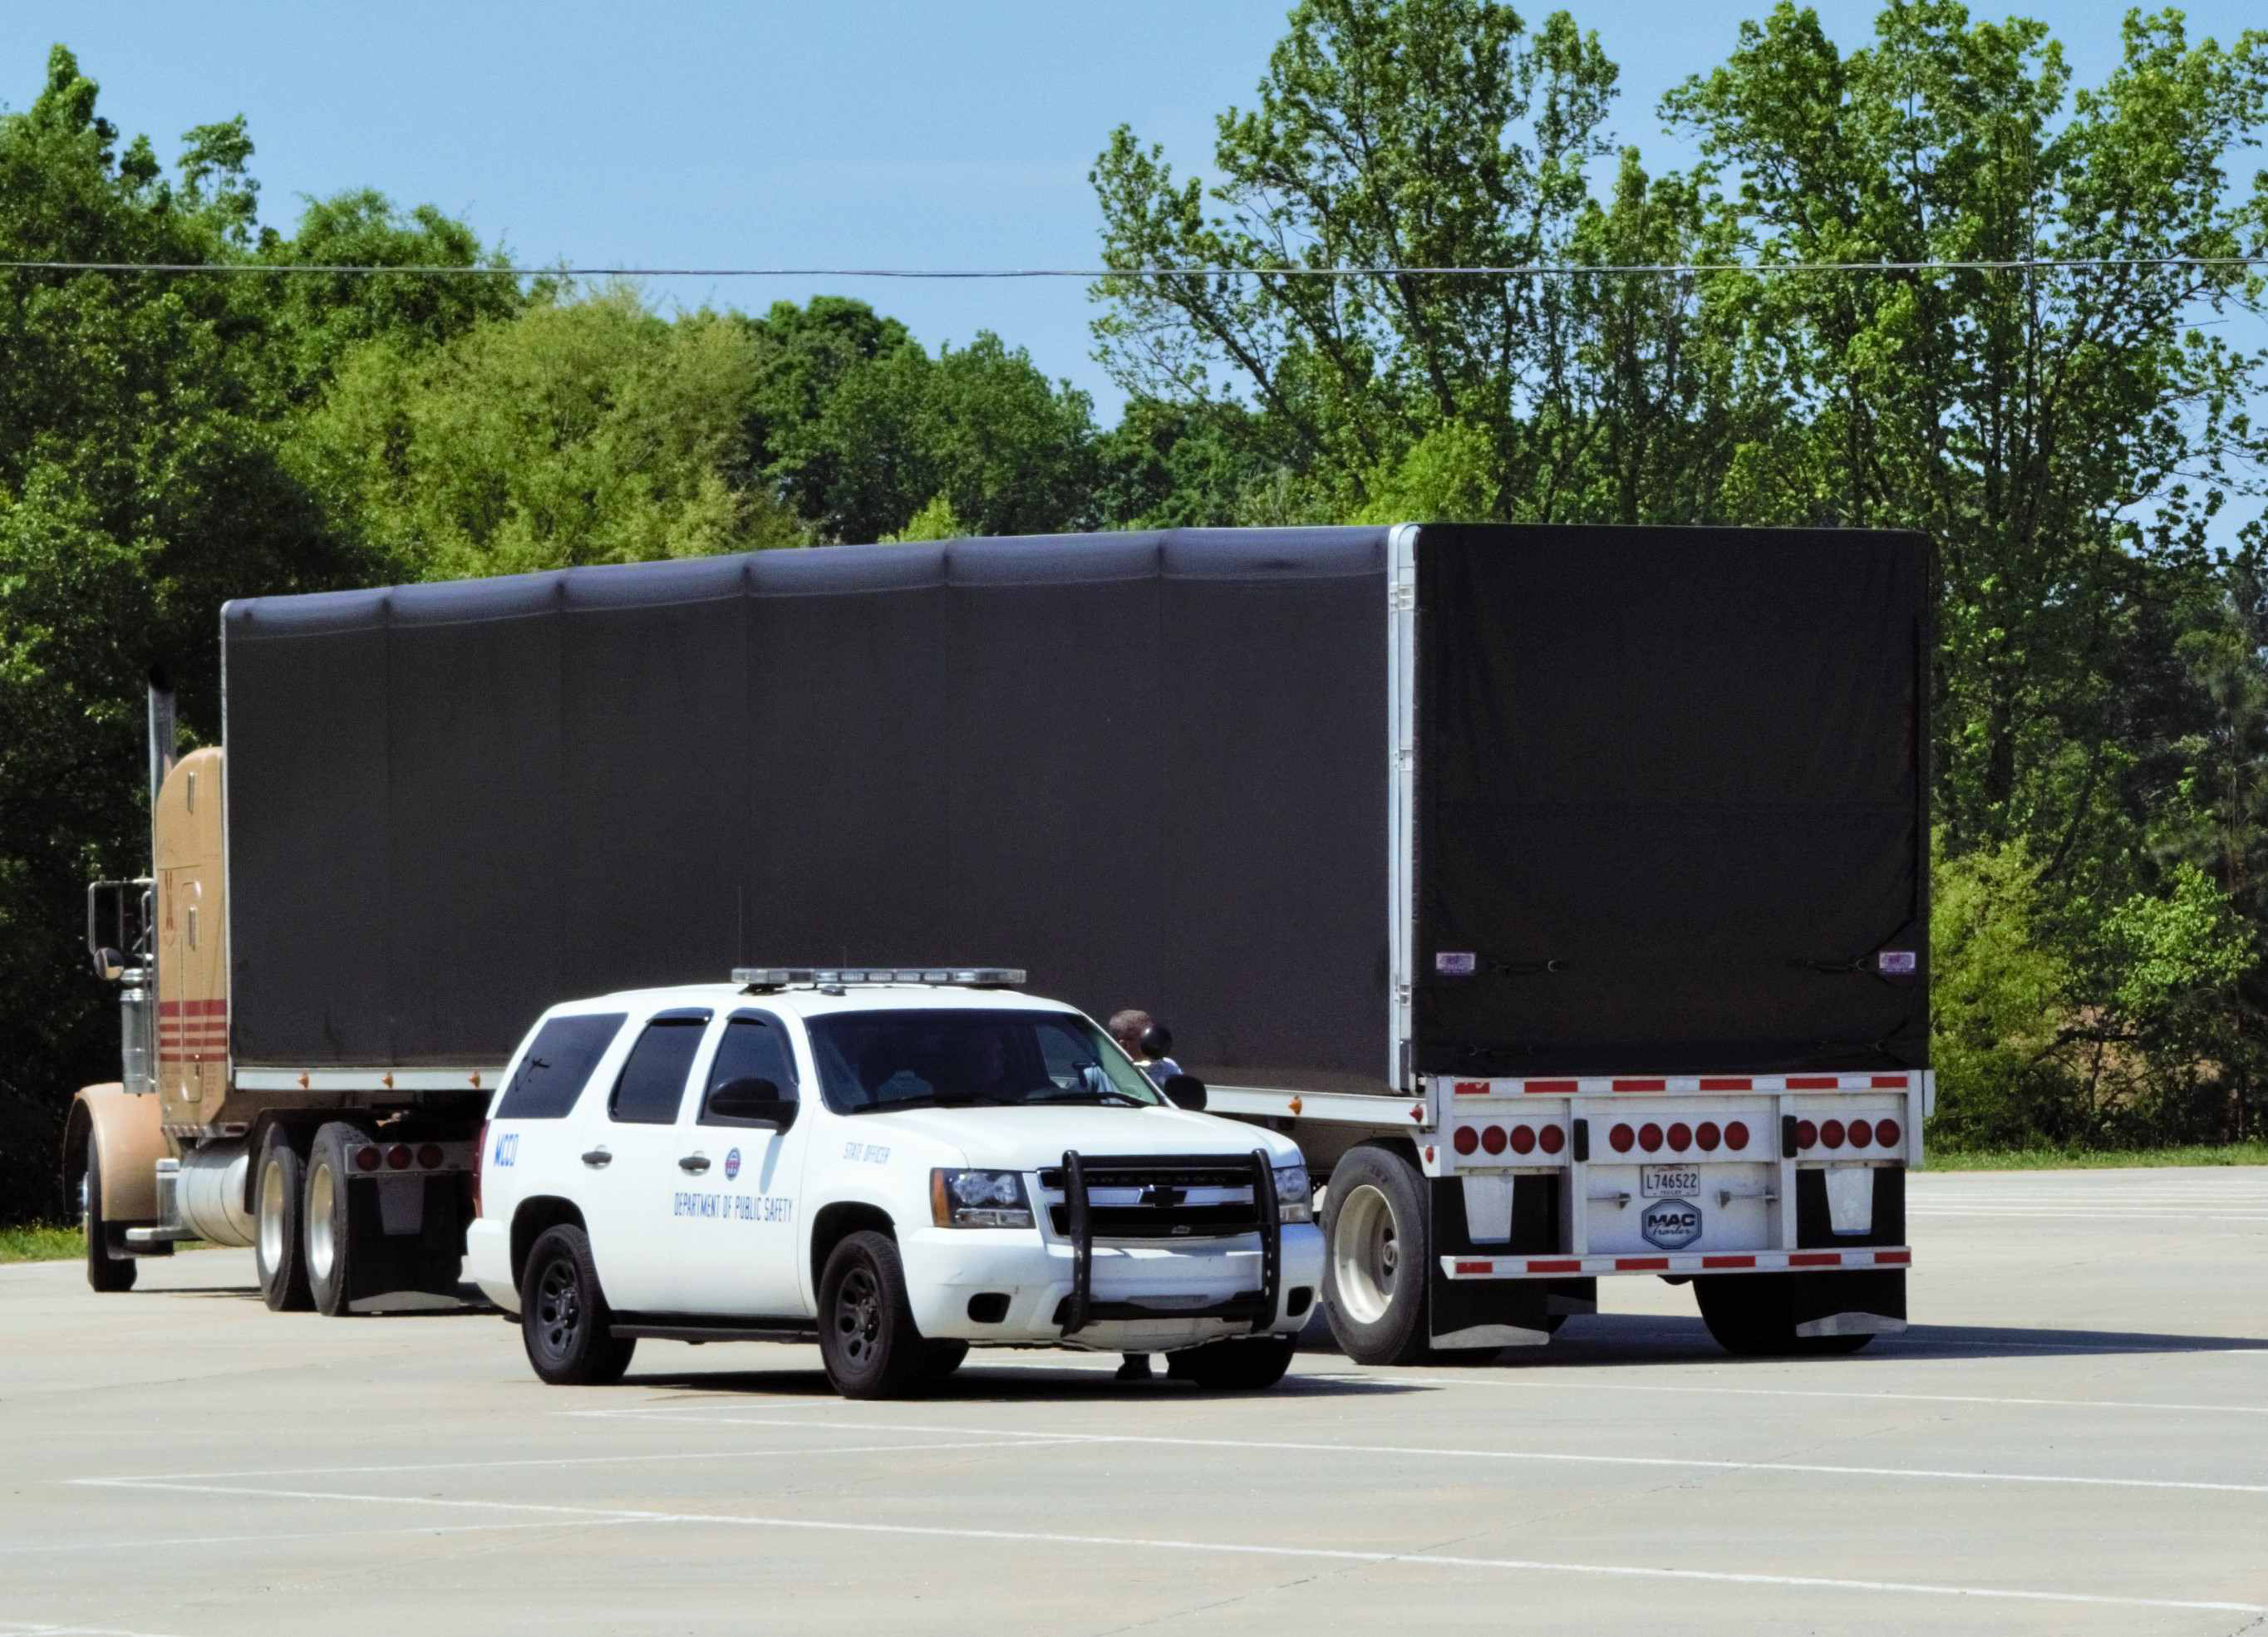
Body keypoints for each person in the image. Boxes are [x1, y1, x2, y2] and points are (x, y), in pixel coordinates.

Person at [1105, 1008, 1182, 1382]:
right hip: (1131, 1179)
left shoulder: (1167, 1068)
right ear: (1123, 1044)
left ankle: (1182, 1355)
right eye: (1143, 1035)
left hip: (1171, 1175)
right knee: (1137, 1267)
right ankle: (1136, 1357)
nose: (1154, 1038)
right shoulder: (1102, 1071)